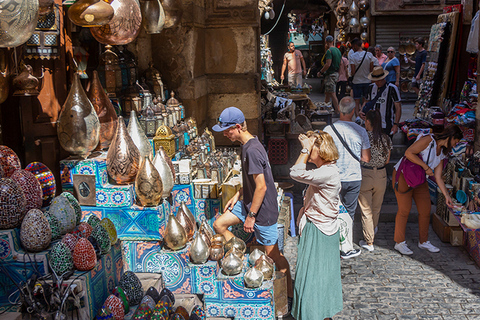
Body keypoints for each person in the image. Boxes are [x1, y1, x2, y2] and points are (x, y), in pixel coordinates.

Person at [211, 107, 294, 307]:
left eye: (227, 130)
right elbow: (253, 180)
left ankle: (290, 292)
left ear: (238, 127)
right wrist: (238, 195)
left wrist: (251, 216)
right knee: (219, 225)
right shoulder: (247, 144)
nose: (224, 134)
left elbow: (262, 187)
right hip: (249, 203)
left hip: (262, 210)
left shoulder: (253, 150)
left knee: (274, 255)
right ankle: (240, 258)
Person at [290, 130, 343, 320]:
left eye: (312, 148)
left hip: (319, 231)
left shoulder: (326, 173)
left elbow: (295, 172)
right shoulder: (328, 170)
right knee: (321, 276)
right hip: (322, 228)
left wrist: (305, 148)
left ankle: (313, 314)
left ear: (320, 150)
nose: (307, 151)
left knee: (312, 277)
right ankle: (322, 313)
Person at [393, 125, 463, 255]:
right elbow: (408, 152)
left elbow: (438, 177)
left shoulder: (441, 153)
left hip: (419, 179)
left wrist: (447, 196)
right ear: (451, 137)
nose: (455, 145)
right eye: (456, 141)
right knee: (404, 210)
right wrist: (425, 167)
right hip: (404, 175)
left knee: (425, 209)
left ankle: (423, 241)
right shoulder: (428, 140)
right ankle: (399, 242)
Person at [324, 96, 371, 259]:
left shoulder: (328, 130)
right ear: (353, 111)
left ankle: (330, 244)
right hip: (353, 176)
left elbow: (323, 155)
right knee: (349, 213)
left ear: (339, 110)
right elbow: (366, 158)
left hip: (333, 177)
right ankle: (345, 246)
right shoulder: (361, 131)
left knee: (330, 211)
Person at [357, 110, 392, 252]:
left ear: (368, 122)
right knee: (376, 208)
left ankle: (369, 241)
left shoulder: (363, 137)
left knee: (366, 209)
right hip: (381, 174)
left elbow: (360, 156)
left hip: (366, 173)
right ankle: (372, 229)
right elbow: (388, 160)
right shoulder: (386, 138)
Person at [361, 66, 402, 136]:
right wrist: (362, 110)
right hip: (372, 124)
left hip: (387, 124)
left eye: (379, 80)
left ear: (383, 78)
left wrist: (396, 124)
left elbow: (398, 108)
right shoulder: (370, 87)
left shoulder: (392, 88)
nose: (377, 82)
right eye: (375, 80)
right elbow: (366, 101)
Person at [349, 38, 375, 117]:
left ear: (356, 46)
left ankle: (357, 116)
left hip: (356, 81)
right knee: (366, 100)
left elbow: (353, 71)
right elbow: (371, 69)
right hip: (367, 81)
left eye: (353, 46)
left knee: (356, 100)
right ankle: (365, 115)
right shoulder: (369, 55)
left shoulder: (352, 56)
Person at [318, 35, 342, 114]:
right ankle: (324, 108)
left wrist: (321, 72)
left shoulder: (329, 51)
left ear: (326, 42)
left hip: (330, 74)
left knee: (332, 93)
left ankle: (337, 111)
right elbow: (341, 63)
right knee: (327, 92)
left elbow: (328, 64)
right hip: (336, 73)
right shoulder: (338, 50)